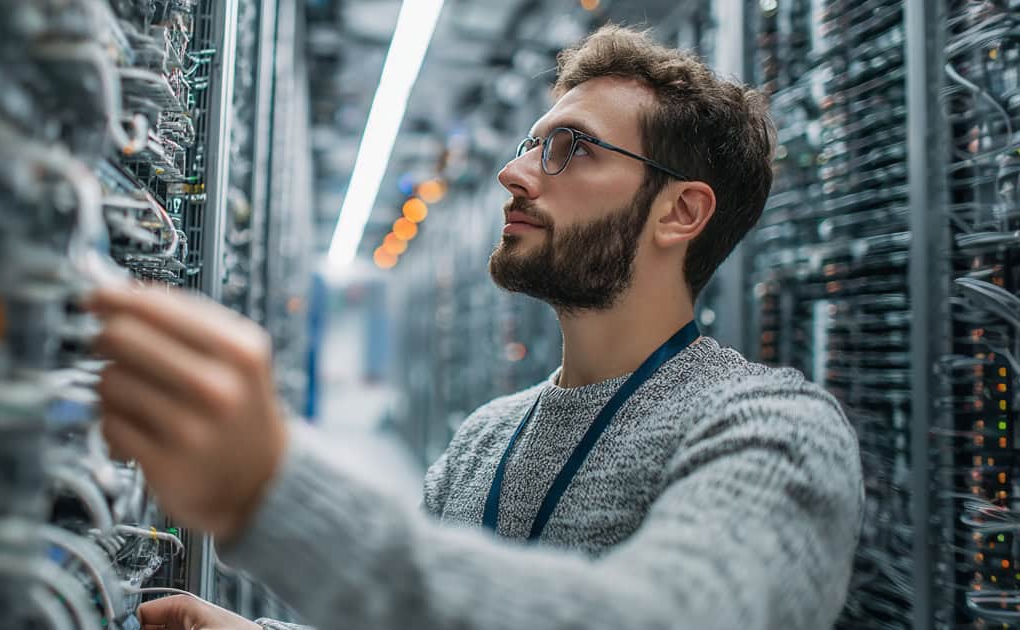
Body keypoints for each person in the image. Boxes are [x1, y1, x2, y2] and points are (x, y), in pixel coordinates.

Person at [91, 25, 864, 630]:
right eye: (531, 142)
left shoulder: (777, 432)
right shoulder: (489, 436)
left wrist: (272, 492)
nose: (515, 171)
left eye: (571, 148)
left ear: (681, 212)